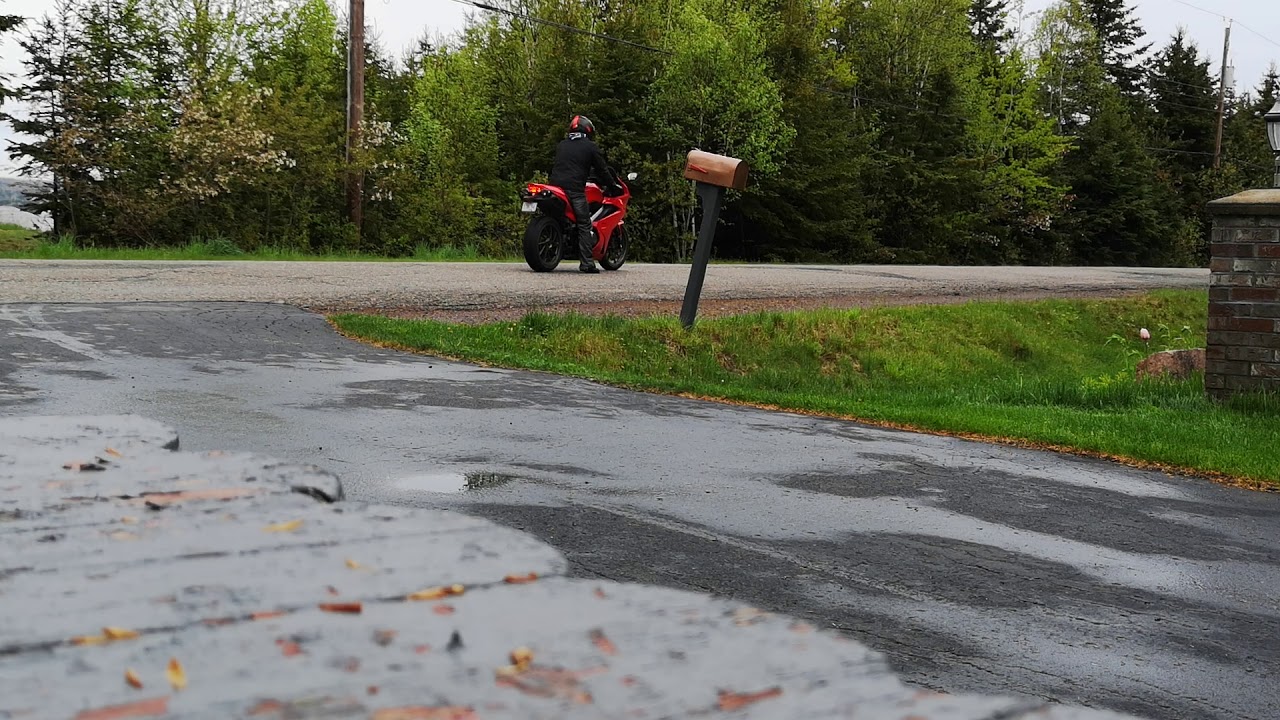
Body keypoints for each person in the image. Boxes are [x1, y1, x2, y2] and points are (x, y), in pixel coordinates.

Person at [549, 115, 616, 273]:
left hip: (555, 187)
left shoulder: (562, 145)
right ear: (588, 129)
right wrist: (611, 185)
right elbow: (602, 169)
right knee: (584, 224)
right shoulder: (590, 146)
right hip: (574, 190)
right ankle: (587, 263)